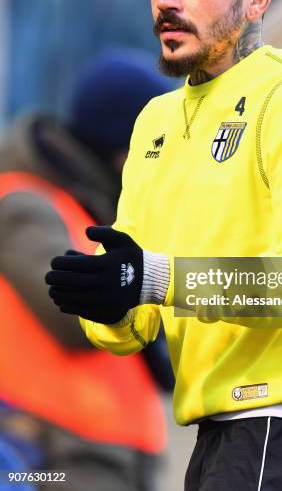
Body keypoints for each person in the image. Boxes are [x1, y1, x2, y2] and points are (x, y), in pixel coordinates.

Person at [46, 0, 282, 490]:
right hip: (218, 433)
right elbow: (136, 318)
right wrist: (107, 299)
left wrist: (153, 279)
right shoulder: (155, 120)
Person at [0, 47, 172, 491]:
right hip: (54, 456)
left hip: (107, 456)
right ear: (123, 150)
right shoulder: (23, 202)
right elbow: (77, 314)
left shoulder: (91, 212)